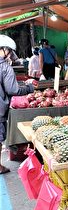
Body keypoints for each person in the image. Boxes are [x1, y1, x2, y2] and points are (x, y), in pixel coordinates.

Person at [0, 35, 35, 174]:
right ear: (4, 50)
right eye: (9, 51)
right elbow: (12, 90)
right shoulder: (4, 67)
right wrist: (29, 88)